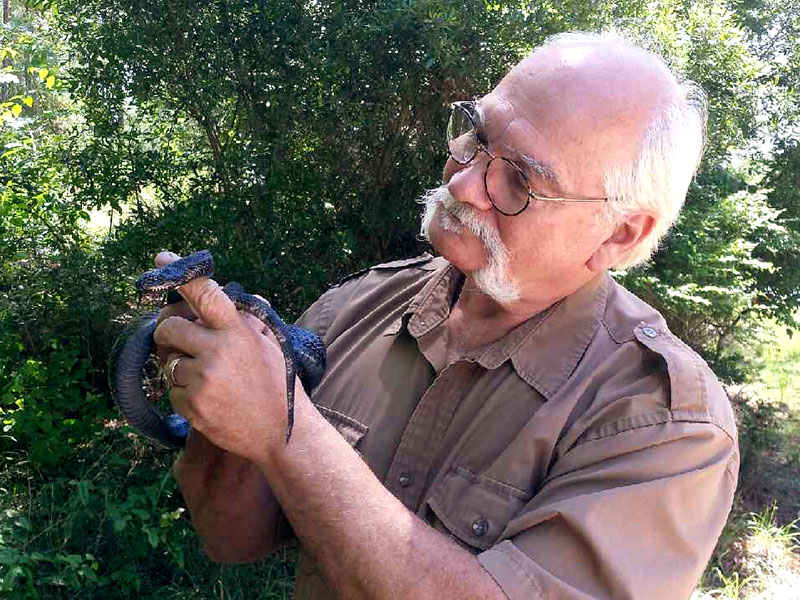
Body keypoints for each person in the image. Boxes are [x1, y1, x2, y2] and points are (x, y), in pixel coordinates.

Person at [153, 31, 738, 599]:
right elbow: (230, 539)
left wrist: (286, 430)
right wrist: (224, 404)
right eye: (476, 139)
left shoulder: (663, 422)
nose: (463, 183)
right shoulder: (354, 308)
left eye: (520, 182)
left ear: (619, 233)